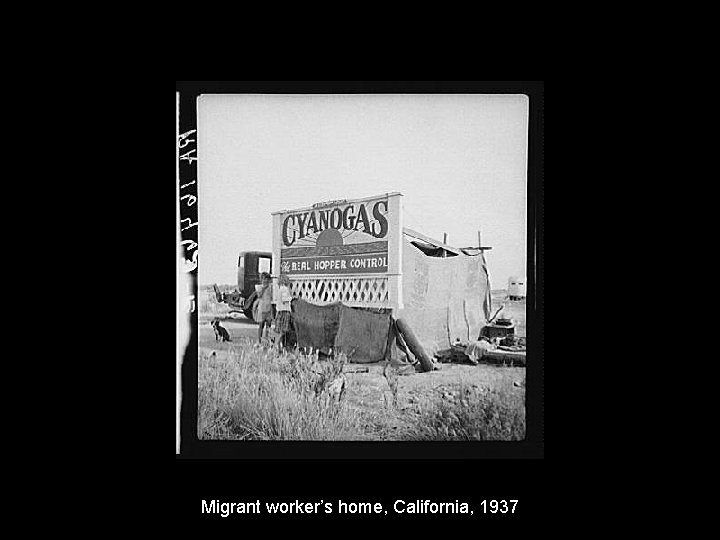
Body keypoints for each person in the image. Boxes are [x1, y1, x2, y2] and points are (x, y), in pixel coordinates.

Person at [274, 274, 293, 351]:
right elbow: (285, 299)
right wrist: (291, 298)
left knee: (278, 330)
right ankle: (277, 345)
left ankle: (278, 346)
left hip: (279, 310)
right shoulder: (285, 289)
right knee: (282, 330)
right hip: (284, 311)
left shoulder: (280, 289)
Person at [256, 272, 274, 344]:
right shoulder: (259, 287)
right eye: (264, 279)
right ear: (261, 280)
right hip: (262, 308)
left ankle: (267, 339)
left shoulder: (271, 287)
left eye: (267, 279)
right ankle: (259, 340)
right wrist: (264, 288)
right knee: (261, 325)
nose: (265, 281)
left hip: (269, 308)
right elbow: (259, 295)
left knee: (268, 325)